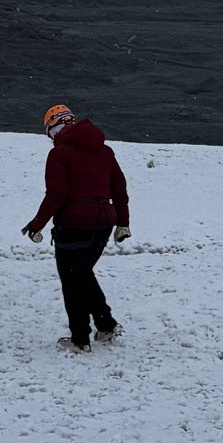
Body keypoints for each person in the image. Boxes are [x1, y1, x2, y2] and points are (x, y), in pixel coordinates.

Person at [24, 103, 130, 350]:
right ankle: (106, 325)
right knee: (82, 273)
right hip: (103, 222)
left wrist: (37, 224)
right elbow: (120, 190)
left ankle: (80, 339)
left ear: (53, 129)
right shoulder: (105, 151)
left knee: (72, 280)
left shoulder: (60, 154)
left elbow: (56, 194)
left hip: (73, 224)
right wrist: (123, 222)